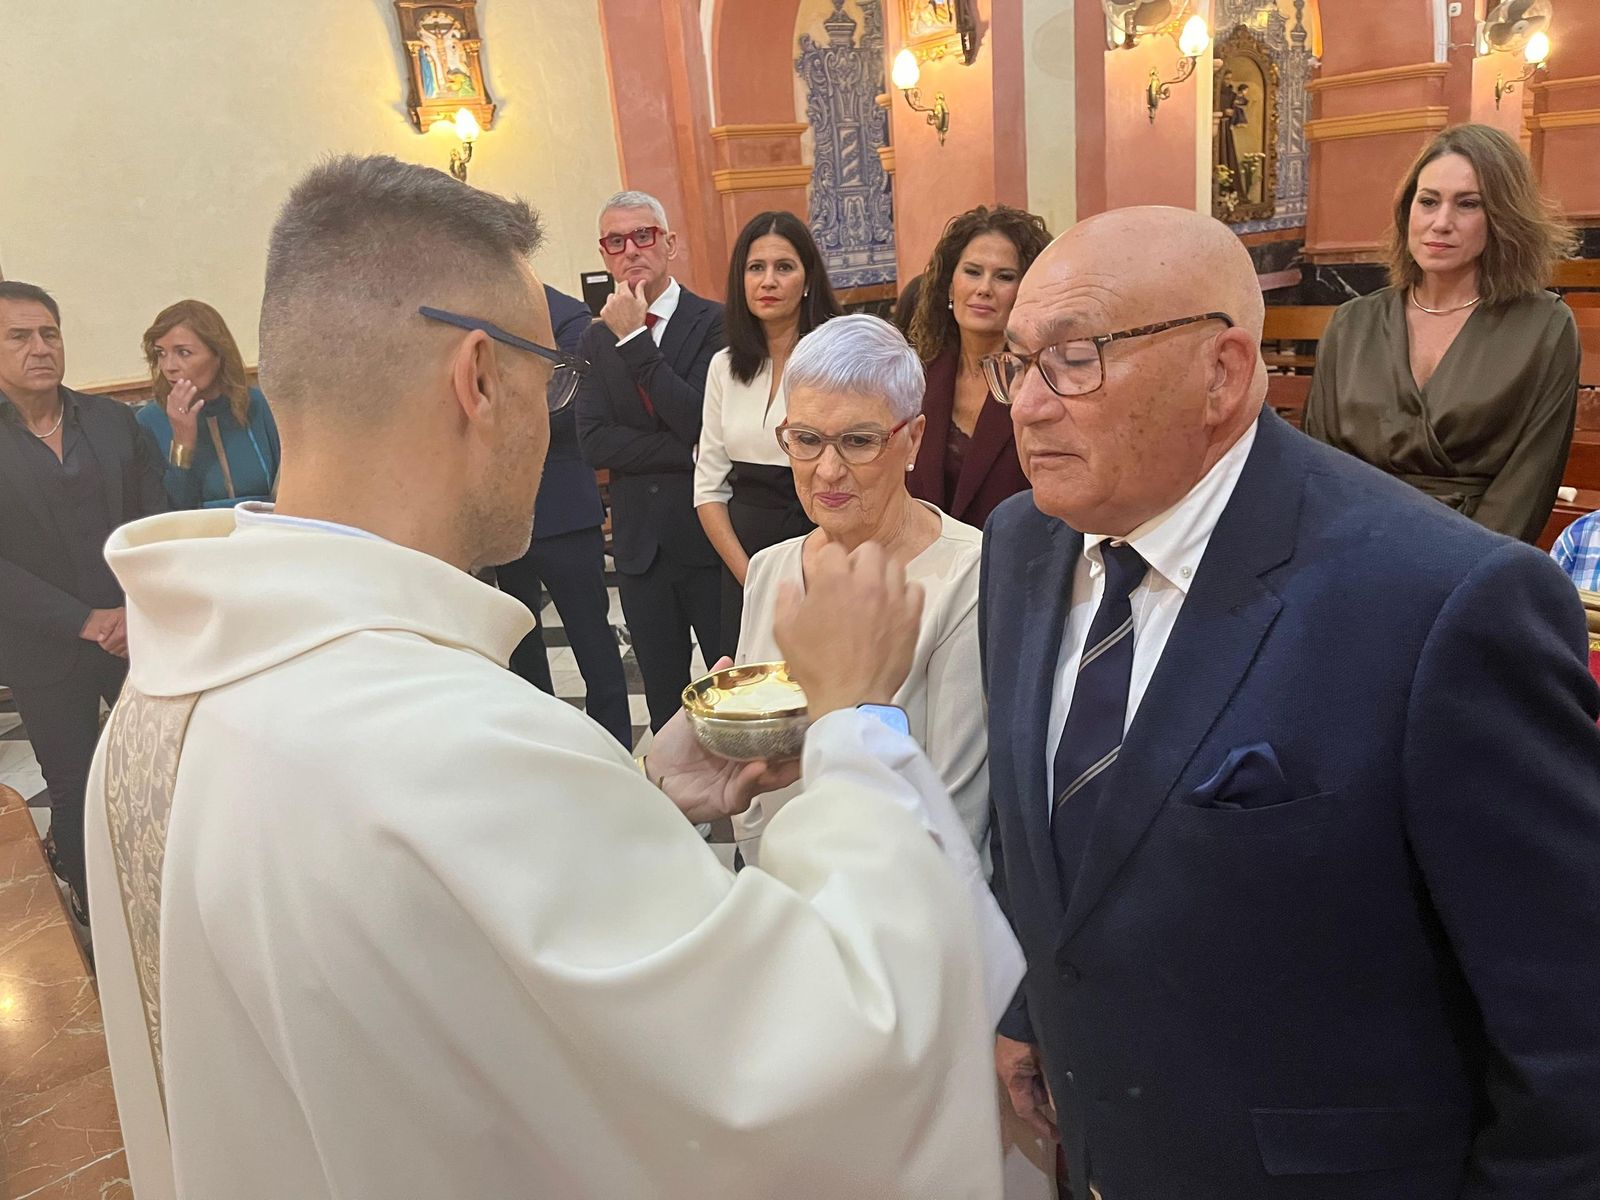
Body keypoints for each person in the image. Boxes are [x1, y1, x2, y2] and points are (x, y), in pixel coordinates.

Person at [83, 154, 1023, 1200]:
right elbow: (845, 1046)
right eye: (553, 376)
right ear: (480, 379)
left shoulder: (160, 702)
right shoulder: (464, 747)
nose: (555, 414)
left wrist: (638, 786)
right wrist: (851, 725)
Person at [981, 205, 1600, 1199]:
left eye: (1076, 359)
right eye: (1015, 362)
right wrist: (1030, 1007)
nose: (1029, 404)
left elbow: (1570, 1026)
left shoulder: (1437, 603)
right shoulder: (1022, 544)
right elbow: (1063, 851)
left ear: (1222, 373)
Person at [733, 314, 988, 863]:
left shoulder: (966, 576)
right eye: (806, 440)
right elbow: (754, 780)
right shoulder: (770, 569)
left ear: (913, 437)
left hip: (895, 890)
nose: (827, 470)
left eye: (858, 441)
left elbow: (956, 812)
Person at [1304, 123, 1580, 543]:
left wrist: (1458, 571)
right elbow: (1317, 465)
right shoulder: (1352, 323)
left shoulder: (1544, 327)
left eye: (1468, 204)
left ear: (1503, 217)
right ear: (1407, 211)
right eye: (1428, 201)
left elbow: (1528, 483)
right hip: (1345, 545)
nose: (1441, 222)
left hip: (1473, 556)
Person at [0, 280, 167, 922]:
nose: (40, 347)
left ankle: (164, 899)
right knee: (73, 786)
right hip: (43, 647)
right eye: (19, 336)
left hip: (135, 632)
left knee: (157, 771)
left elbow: (153, 517)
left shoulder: (111, 421)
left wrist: (130, 605)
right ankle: (98, 916)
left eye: (50, 333)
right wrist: (83, 620)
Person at [576, 190, 725, 730]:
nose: (631, 250)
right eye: (616, 241)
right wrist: (685, 450)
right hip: (640, 549)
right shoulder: (595, 338)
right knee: (665, 706)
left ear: (670, 244)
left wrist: (636, 338)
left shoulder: (714, 322)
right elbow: (595, 442)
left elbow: (701, 419)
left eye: (644, 235)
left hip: (709, 539)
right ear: (604, 254)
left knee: (734, 688)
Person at [696, 211, 841, 658]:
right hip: (743, 560)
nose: (768, 281)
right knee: (748, 686)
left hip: (824, 548)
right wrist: (752, 578)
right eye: (756, 267)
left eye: (784, 267)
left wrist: (809, 574)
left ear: (808, 279)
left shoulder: (837, 362)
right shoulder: (723, 366)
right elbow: (708, 488)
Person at [493, 284, 631, 745]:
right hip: (504, 514)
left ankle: (614, 749)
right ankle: (544, 748)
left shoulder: (566, 315)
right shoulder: (473, 306)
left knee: (593, 644)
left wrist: (494, 398)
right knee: (521, 648)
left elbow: (565, 408)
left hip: (564, 510)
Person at [905, 205, 1051, 530]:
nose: (984, 288)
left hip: (1020, 553)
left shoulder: (1046, 380)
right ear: (950, 285)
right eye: (972, 272)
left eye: (1004, 277)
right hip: (929, 557)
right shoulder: (917, 378)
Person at [136, 299, 280, 509]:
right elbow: (168, 511)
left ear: (218, 354)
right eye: (161, 353)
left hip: (264, 524)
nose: (168, 366)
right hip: (193, 529)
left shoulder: (261, 406)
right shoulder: (148, 421)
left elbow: (289, 488)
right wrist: (182, 443)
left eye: (183, 352)